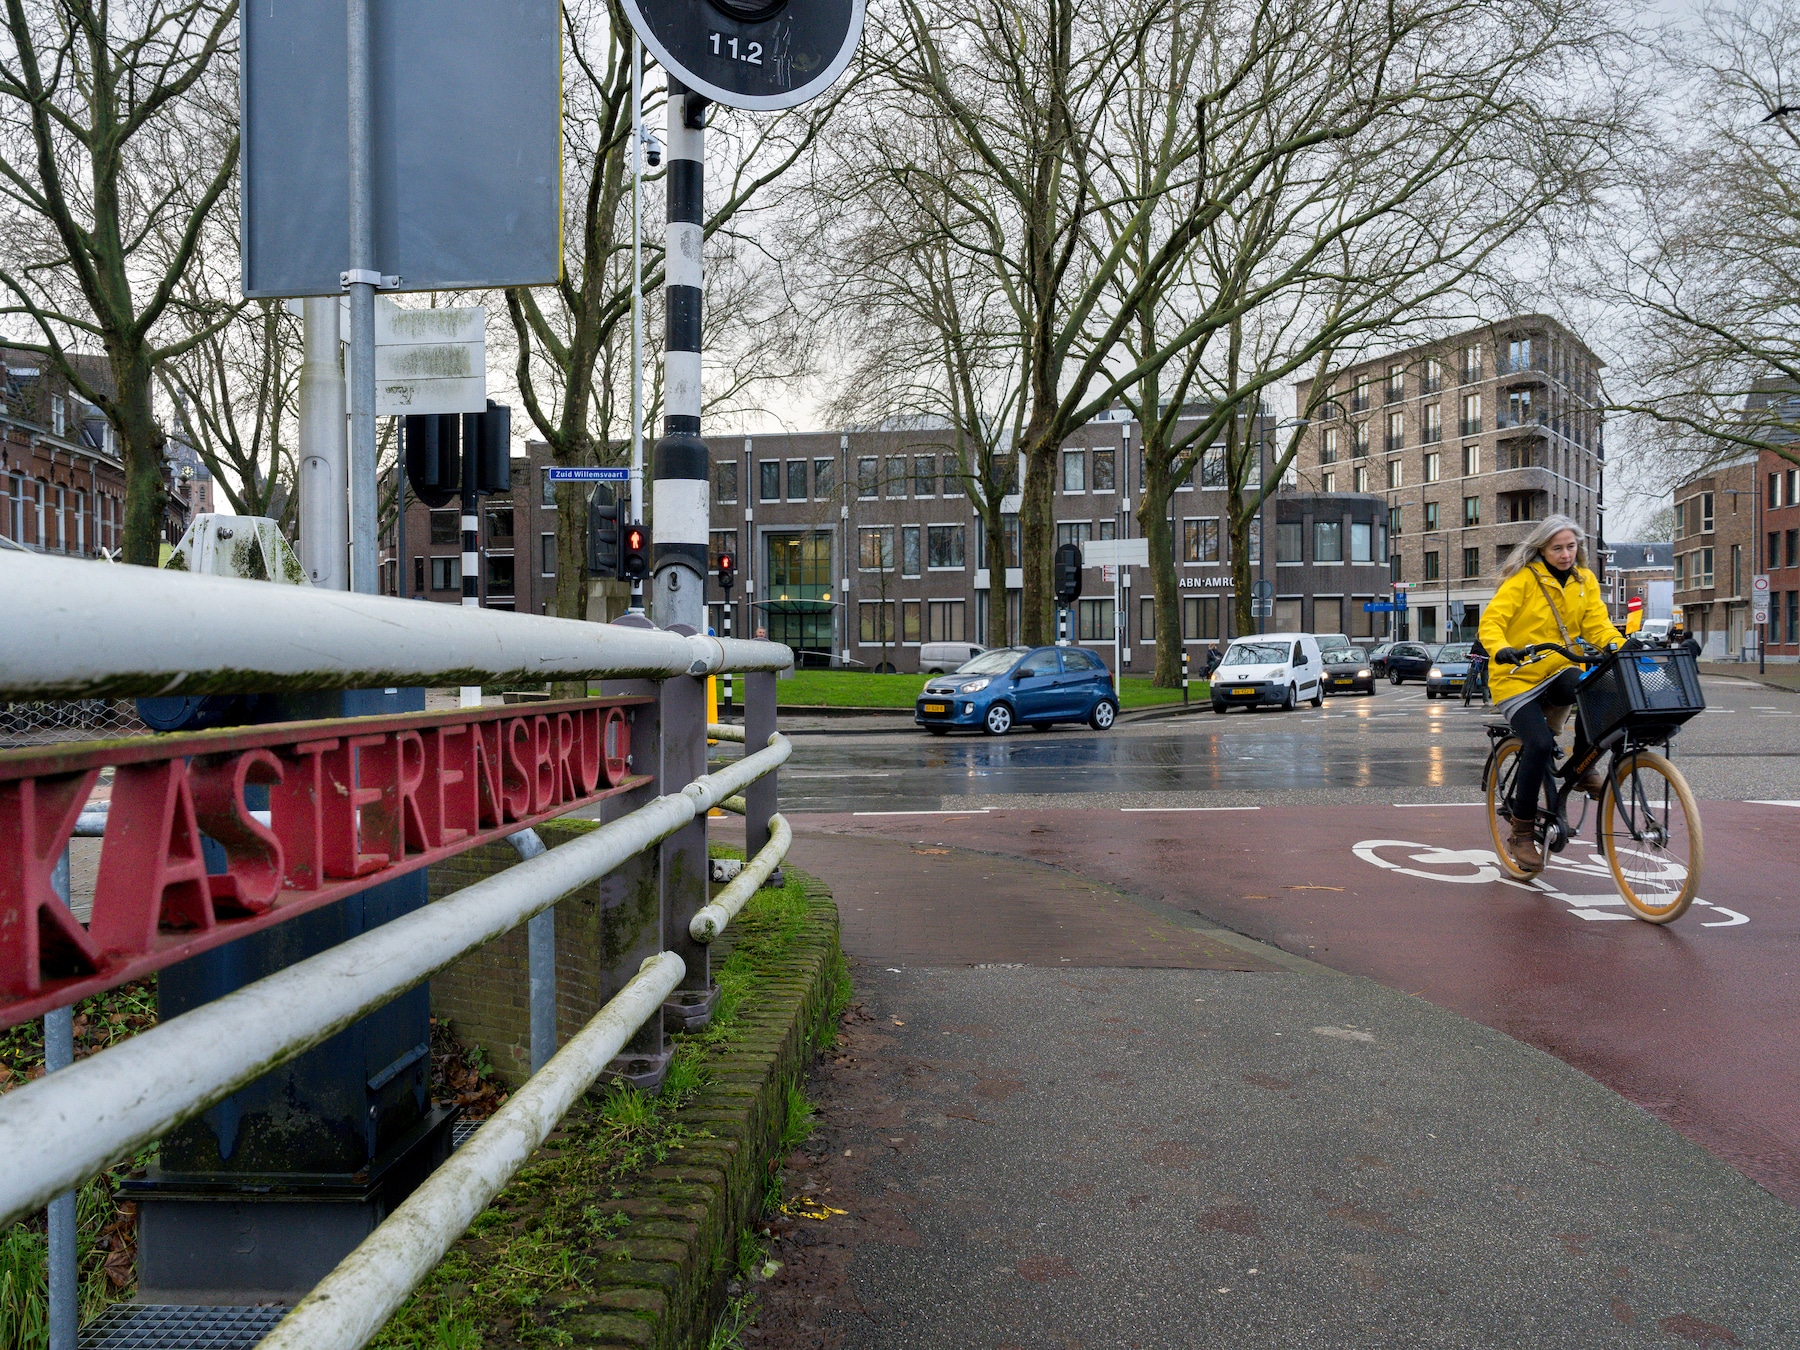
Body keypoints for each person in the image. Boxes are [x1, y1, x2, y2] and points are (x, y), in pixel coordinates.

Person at [1477, 514, 1624, 873]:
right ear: (1542, 549)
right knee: (1540, 745)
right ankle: (1521, 833)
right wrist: (1501, 649)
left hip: (1558, 667)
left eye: (1571, 546)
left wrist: (1619, 645)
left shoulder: (1584, 580)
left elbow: (1597, 626)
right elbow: (1492, 622)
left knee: (1597, 690)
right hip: (1516, 675)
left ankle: (1583, 766)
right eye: (1557, 548)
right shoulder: (1523, 579)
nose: (1565, 554)